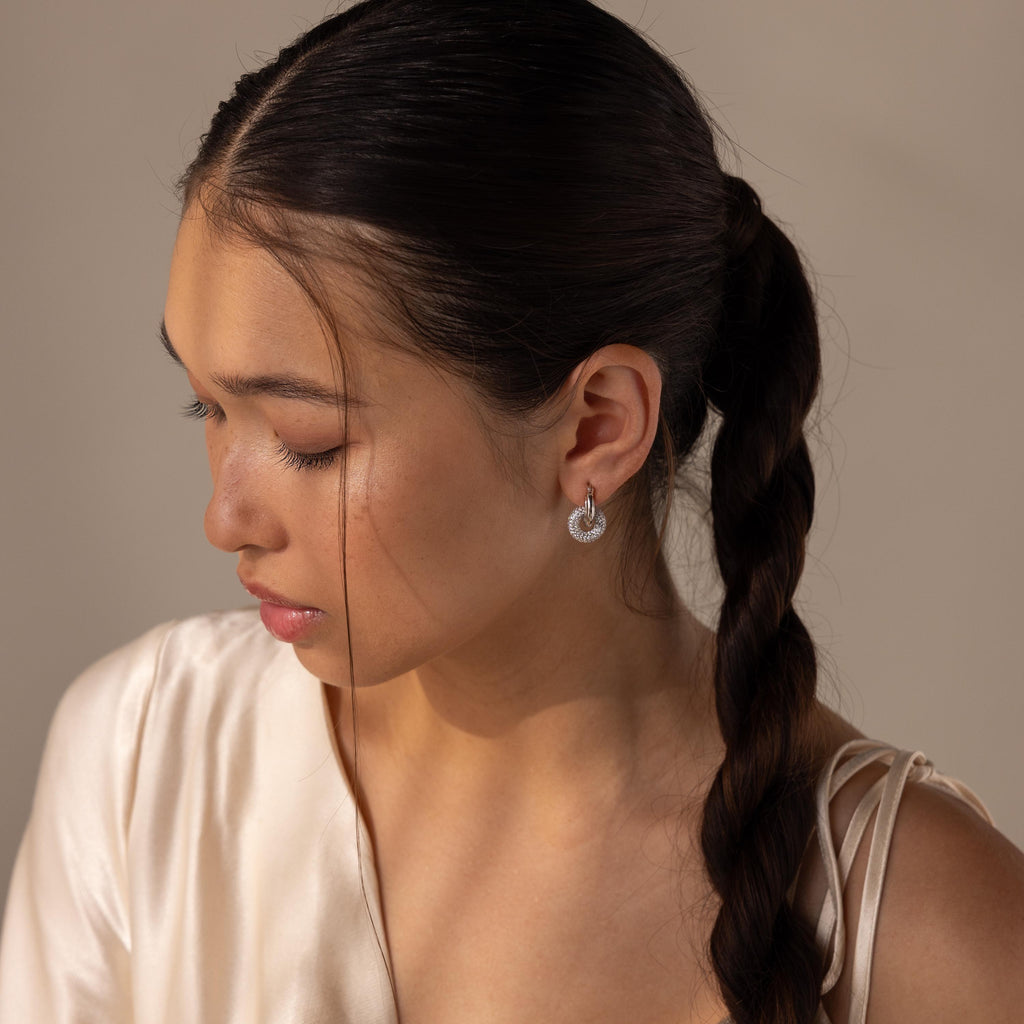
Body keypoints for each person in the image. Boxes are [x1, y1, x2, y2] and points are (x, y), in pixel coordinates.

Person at [1, 0, 1022, 1021]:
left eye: (308, 440)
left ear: (594, 428)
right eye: (209, 407)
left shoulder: (926, 929)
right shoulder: (149, 760)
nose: (226, 517)